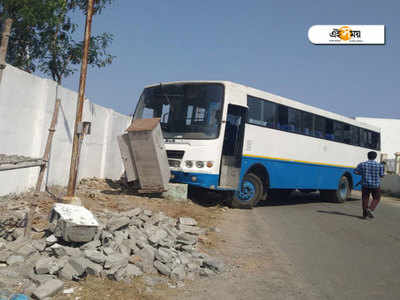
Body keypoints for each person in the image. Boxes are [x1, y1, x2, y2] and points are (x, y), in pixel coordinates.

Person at [354, 151, 385, 219]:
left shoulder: (362, 164)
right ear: (375, 157)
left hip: (365, 184)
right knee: (377, 198)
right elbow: (382, 175)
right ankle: (370, 209)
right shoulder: (380, 165)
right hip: (375, 185)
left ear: (368, 156)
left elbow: (355, 171)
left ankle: (365, 215)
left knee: (365, 199)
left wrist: (363, 173)